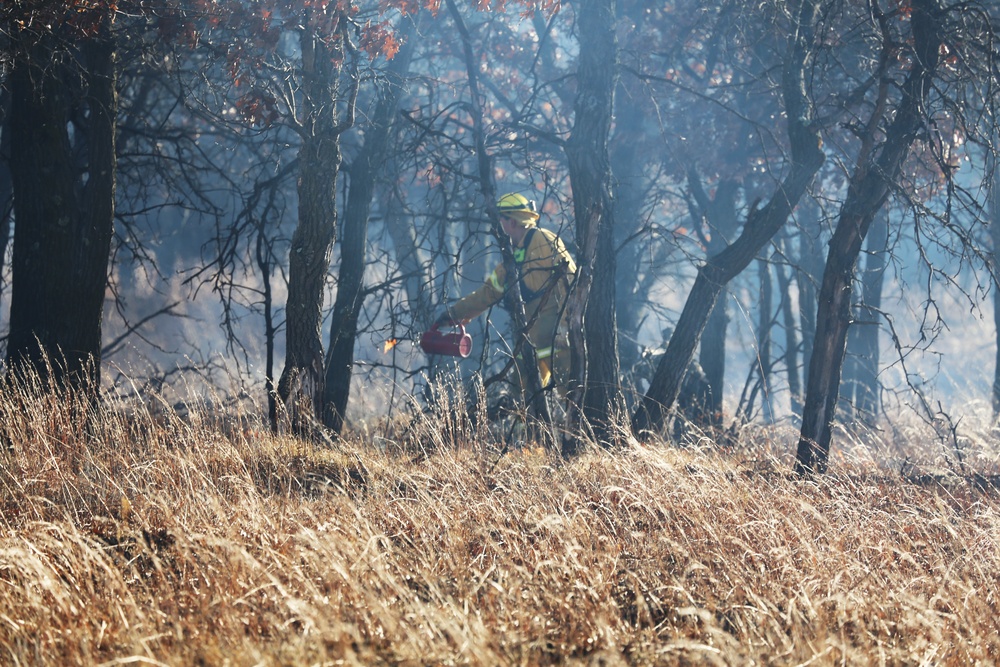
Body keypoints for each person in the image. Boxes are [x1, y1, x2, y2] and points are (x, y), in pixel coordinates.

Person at [433, 192, 577, 393]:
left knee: (571, 395)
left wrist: (566, 324)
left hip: (555, 336)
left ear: (513, 221)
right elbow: (488, 294)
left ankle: (578, 426)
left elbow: (570, 279)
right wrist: (454, 314)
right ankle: (527, 426)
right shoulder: (511, 258)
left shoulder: (544, 239)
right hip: (527, 338)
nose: (499, 223)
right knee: (522, 399)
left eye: (502, 218)